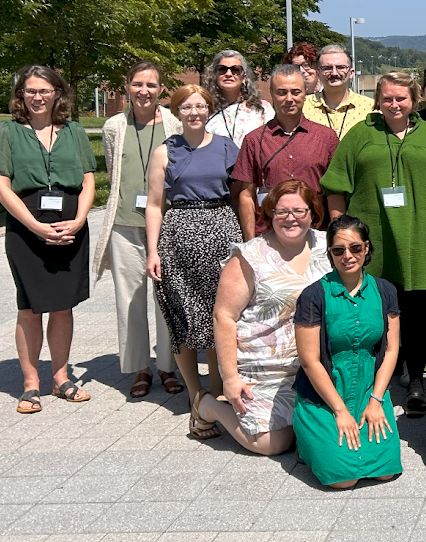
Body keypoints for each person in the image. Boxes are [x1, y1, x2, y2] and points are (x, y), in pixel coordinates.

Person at [322, 71, 426, 416]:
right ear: (379, 100)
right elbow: (335, 183)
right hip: (371, 240)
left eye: (402, 98)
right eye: (388, 98)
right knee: (372, 310)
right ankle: (370, 380)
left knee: (416, 312)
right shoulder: (361, 133)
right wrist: (340, 231)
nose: (395, 105)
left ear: (415, 100)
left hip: (417, 238)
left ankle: (415, 381)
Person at [0, 66, 96, 413]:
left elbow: (89, 180)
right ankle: (31, 383)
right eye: (30, 91)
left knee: (63, 305)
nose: (37, 97)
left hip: (70, 223)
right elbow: (1, 184)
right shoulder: (5, 131)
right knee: (30, 306)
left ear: (57, 94)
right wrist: (34, 225)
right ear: (21, 94)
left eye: (45, 91)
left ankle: (61, 377)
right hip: (26, 224)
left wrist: (80, 220)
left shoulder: (74, 131)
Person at [199, 181, 333, 455]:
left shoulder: (330, 245)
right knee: (271, 444)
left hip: (319, 364)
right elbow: (223, 317)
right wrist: (230, 378)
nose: (291, 218)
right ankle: (210, 406)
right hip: (266, 367)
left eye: (299, 210)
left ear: (312, 212)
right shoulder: (249, 256)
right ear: (270, 213)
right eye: (282, 211)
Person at [145, 85, 242, 432]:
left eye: (201, 106)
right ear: (176, 111)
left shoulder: (226, 147)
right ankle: (196, 394)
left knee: (220, 317)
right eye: (187, 106)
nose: (195, 112)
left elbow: (239, 194)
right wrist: (153, 250)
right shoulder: (164, 152)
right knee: (183, 317)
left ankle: (218, 396)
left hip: (221, 232)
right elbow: (155, 205)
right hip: (178, 236)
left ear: (209, 109)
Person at [293, 212, 403, 488]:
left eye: (355, 248)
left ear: (367, 248)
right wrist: (340, 411)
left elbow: (391, 350)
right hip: (326, 395)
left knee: (385, 472)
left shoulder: (385, 290)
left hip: (369, 390)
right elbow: (309, 361)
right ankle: (307, 443)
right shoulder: (313, 295)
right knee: (344, 479)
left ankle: (326, 444)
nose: (348, 256)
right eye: (339, 250)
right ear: (330, 254)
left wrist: (376, 400)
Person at [93, 61, 183, 398]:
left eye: (151, 85)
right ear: (127, 86)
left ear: (161, 89)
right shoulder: (114, 126)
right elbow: (114, 170)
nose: (144, 91)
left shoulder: (173, 124)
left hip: (166, 224)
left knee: (165, 300)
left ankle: (167, 366)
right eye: (137, 84)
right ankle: (139, 368)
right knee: (129, 299)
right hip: (125, 226)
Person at [231, 64, 339, 239]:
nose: (289, 99)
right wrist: (250, 244)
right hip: (267, 237)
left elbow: (335, 192)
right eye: (282, 92)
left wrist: (336, 236)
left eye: (296, 92)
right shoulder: (254, 140)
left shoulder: (326, 138)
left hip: (315, 235)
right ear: (272, 93)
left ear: (305, 94)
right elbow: (246, 195)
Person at [202, 50, 274, 148]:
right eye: (222, 69)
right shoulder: (204, 110)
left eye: (235, 70)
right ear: (215, 75)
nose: (228, 74)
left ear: (244, 77)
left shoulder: (262, 109)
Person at [303, 44, 372, 139]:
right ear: (318, 73)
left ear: (351, 73)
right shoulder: (303, 106)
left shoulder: (370, 108)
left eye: (340, 67)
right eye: (327, 68)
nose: (334, 73)